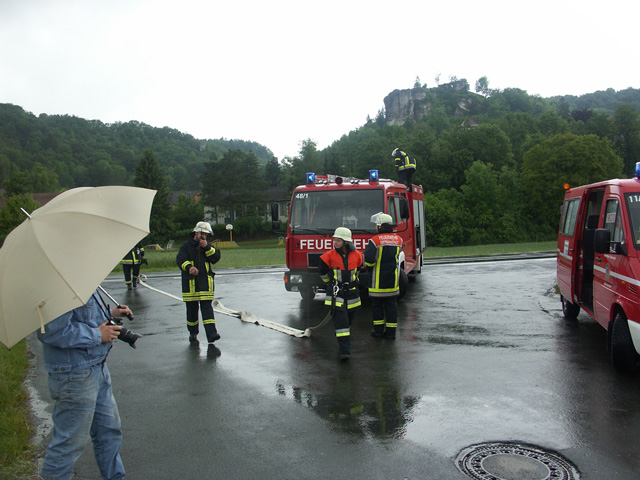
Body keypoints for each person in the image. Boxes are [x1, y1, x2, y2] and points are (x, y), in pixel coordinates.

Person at [38, 290, 133, 480]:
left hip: (97, 367)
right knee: (68, 444)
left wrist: (112, 314)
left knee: (109, 433)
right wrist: (97, 335)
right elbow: (51, 332)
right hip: (75, 376)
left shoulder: (81, 281)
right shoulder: (58, 289)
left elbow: (84, 317)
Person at [317, 227, 363, 361]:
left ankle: (342, 338)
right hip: (337, 292)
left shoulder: (357, 255)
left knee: (349, 320)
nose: (335, 242)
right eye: (334, 240)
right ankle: (344, 351)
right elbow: (322, 272)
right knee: (341, 321)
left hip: (353, 292)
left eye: (338, 240)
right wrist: (330, 283)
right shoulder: (328, 256)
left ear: (346, 242)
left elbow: (358, 269)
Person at [176, 221, 221, 344]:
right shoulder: (186, 246)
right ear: (196, 233)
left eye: (206, 235)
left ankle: (212, 334)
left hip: (205, 284)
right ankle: (193, 333)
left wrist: (206, 246)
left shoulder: (207, 246)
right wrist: (189, 267)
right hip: (190, 285)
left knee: (207, 309)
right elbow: (180, 260)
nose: (204, 237)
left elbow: (216, 257)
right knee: (191, 311)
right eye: (203, 234)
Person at [364, 213, 403, 339]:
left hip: (377, 283)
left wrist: (369, 267)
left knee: (377, 307)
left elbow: (369, 261)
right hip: (393, 282)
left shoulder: (375, 241)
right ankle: (391, 333)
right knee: (391, 307)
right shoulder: (398, 239)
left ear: (380, 226)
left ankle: (378, 331)